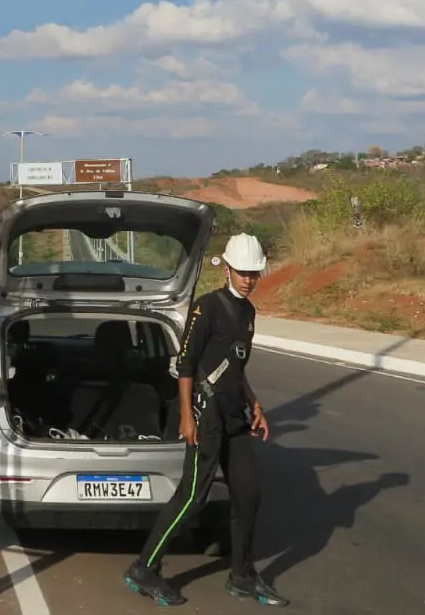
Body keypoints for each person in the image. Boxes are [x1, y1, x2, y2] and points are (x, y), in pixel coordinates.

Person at [123, 233, 290, 607]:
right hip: (206, 413)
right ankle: (144, 568)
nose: (249, 279)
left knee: (248, 495)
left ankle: (242, 576)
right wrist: (186, 416)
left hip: (235, 415)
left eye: (255, 273)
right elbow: (185, 365)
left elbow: (235, 364)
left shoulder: (248, 312)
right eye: (242, 272)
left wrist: (255, 402)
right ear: (227, 269)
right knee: (192, 498)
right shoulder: (207, 307)